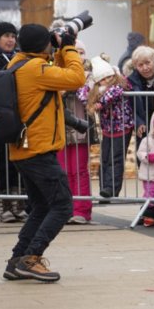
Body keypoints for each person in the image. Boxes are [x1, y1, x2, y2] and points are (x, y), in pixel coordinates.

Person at [4, 23, 85, 282]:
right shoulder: (36, 69)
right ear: (42, 45)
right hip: (38, 150)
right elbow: (75, 78)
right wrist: (70, 46)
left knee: (40, 207)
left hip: (24, 149)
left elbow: (56, 73)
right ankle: (31, 258)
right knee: (62, 206)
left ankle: (16, 260)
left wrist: (59, 50)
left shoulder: (18, 64)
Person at [0, 21, 28, 223]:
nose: (11, 40)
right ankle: (5, 205)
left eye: (13, 36)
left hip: (17, 115)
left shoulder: (16, 56)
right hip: (0, 116)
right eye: (6, 36)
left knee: (18, 160)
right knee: (2, 160)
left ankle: (19, 204)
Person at [77, 56, 134, 200]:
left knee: (116, 159)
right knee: (106, 158)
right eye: (103, 79)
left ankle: (111, 188)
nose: (107, 80)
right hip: (107, 129)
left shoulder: (120, 84)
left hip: (122, 127)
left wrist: (99, 102)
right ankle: (104, 189)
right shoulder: (97, 90)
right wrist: (87, 84)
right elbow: (83, 98)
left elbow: (114, 92)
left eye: (109, 76)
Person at [60, 39, 93, 225]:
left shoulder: (90, 74)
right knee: (63, 172)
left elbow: (88, 90)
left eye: (81, 52)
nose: (79, 56)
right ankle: (66, 209)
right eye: (75, 52)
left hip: (80, 130)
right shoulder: (57, 72)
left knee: (79, 170)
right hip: (60, 130)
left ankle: (81, 209)